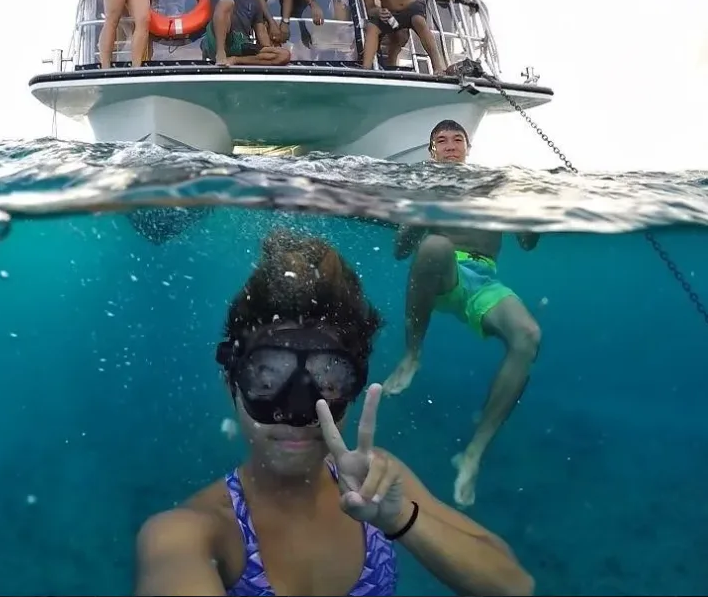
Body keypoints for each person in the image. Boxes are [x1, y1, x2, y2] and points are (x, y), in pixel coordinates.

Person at [134, 229, 534, 597]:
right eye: (268, 378)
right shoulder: (188, 532)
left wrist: (401, 519)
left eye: (328, 379)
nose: (296, 413)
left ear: (355, 388)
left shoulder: (378, 481)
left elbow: (515, 586)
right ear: (232, 385)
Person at [382, 120, 542, 509]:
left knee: (528, 336)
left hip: (484, 280)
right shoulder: (422, 184)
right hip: (444, 274)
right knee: (435, 245)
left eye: (458, 139)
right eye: (441, 140)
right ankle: (412, 354)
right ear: (431, 150)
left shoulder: (492, 184)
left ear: (468, 147)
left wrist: (530, 209)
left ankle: (473, 453)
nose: (450, 145)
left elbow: (527, 242)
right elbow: (401, 250)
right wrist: (421, 211)